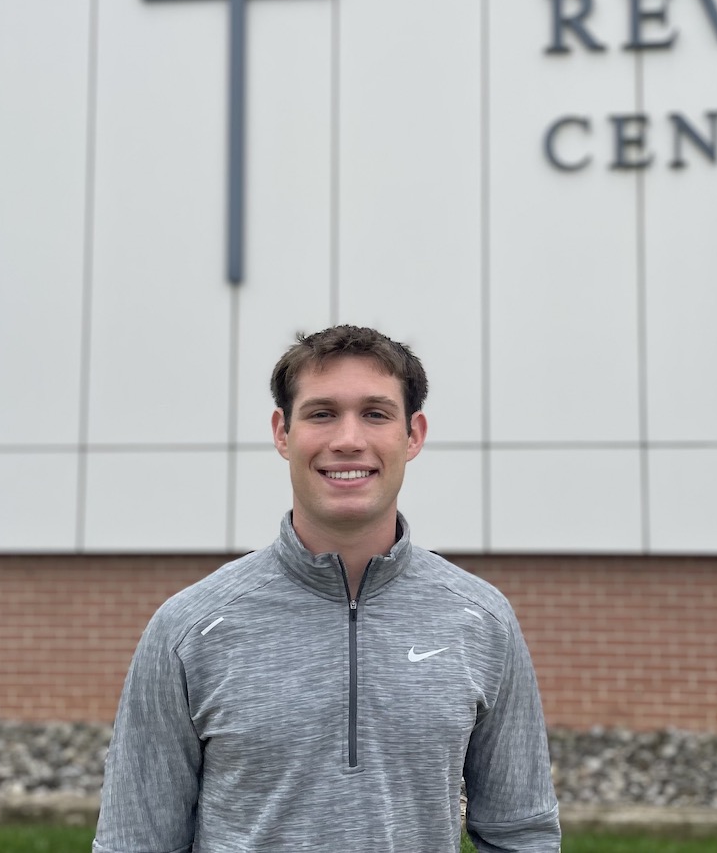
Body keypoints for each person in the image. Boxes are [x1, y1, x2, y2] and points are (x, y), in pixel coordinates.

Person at [93, 325, 561, 852]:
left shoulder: (481, 622)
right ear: (282, 432)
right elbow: (136, 841)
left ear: (413, 435)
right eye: (321, 413)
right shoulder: (189, 628)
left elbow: (523, 835)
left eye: (376, 414)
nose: (348, 439)